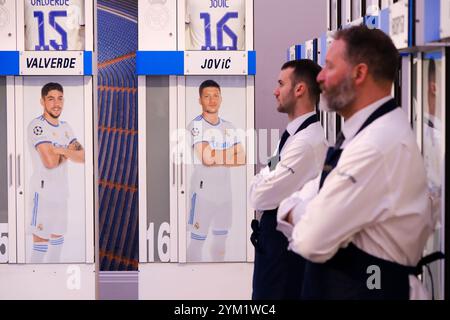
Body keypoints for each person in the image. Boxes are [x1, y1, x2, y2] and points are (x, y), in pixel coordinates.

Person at [276, 25, 440, 299]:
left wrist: (294, 210)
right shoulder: (359, 134)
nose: (320, 76)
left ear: (359, 73)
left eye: (329, 66)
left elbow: (311, 238)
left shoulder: (375, 146)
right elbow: (314, 195)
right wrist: (309, 207)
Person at [249, 60, 327, 299]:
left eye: (281, 84)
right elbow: (268, 170)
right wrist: (265, 177)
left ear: (300, 89)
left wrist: (263, 178)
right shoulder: (291, 138)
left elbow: (259, 196)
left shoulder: (305, 143)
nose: (275, 91)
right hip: (272, 249)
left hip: (285, 258)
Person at [186, 79, 246, 262]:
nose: (212, 100)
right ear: (200, 100)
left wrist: (215, 153)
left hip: (225, 196)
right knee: (197, 242)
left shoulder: (229, 126)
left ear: (221, 99)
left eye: (215, 96)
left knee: (221, 243)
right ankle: (192, 279)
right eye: (207, 96)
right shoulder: (196, 125)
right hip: (203, 195)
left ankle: (216, 282)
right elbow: (207, 158)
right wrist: (230, 154)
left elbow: (242, 158)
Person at [28, 82, 85, 263]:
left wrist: (58, 150)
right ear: (42, 101)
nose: (56, 103)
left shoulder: (66, 127)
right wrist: (68, 151)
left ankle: (53, 282)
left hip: (62, 193)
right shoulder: (38, 126)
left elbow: (83, 156)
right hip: (43, 194)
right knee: (41, 245)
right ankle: (34, 283)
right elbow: (50, 162)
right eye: (51, 99)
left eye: (60, 98)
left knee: (58, 240)